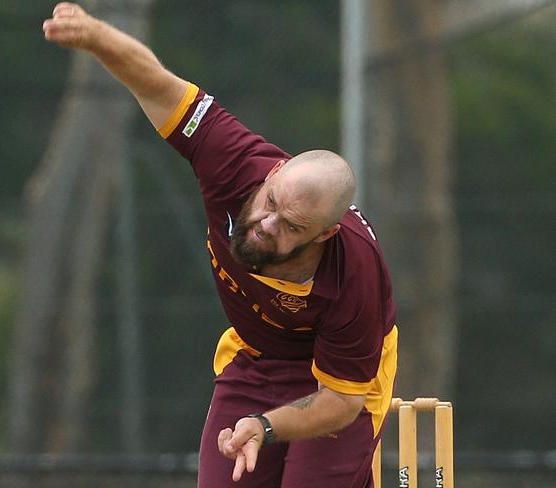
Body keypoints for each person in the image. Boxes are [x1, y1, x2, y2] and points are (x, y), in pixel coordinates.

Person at [43, 4, 398, 487]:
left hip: (336, 382)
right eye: (270, 202)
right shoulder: (233, 161)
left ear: (324, 235)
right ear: (273, 173)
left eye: (291, 227)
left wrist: (266, 426)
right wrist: (96, 36)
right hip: (256, 356)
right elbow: (157, 84)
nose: (267, 224)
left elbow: (340, 403)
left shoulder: (356, 273)